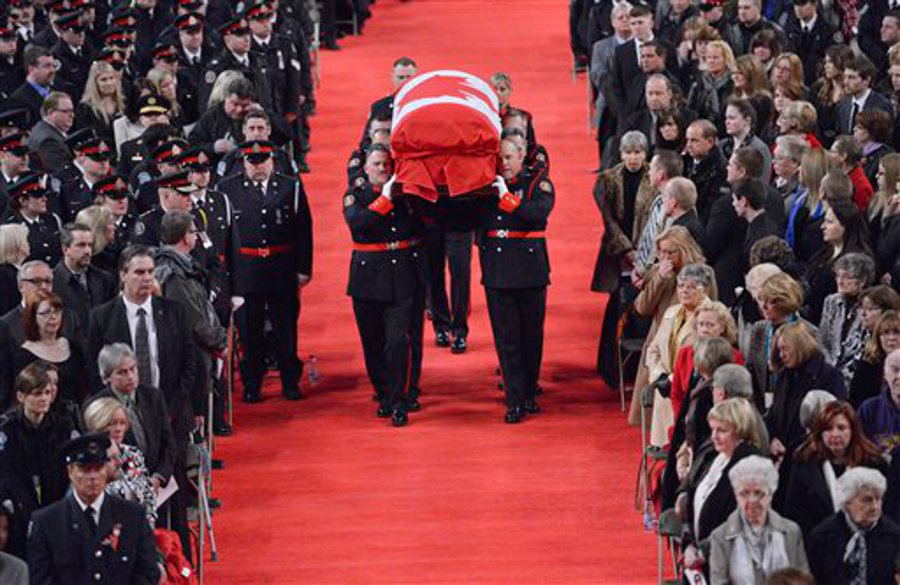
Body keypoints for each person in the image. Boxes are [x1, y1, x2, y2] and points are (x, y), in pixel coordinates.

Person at [218, 140, 312, 403]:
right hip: (246, 271)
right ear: (243, 162)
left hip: (282, 267)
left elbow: (304, 228)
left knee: (286, 328)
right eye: (252, 162)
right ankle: (252, 382)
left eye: (263, 161)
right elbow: (223, 234)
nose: (258, 167)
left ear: (272, 160)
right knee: (250, 331)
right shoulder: (227, 189)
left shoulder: (290, 186)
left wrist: (304, 269)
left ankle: (290, 380)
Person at [344, 145, 425, 426]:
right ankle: (384, 394)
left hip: (401, 275)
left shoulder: (405, 197)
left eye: (386, 165)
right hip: (367, 279)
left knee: (397, 341)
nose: (382, 169)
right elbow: (358, 224)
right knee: (373, 342)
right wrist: (385, 199)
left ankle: (399, 400)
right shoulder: (355, 195)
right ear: (365, 169)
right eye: (376, 164)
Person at [480, 137, 554, 423]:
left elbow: (537, 214)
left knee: (531, 336)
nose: (505, 164)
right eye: (500, 159)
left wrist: (506, 199)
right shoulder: (485, 187)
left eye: (509, 157)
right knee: (507, 339)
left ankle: (529, 393)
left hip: (530, 269)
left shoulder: (538, 183)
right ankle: (514, 400)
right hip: (498, 271)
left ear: (522, 156)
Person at [26, 433, 160, 584]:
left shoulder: (132, 516)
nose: (93, 476)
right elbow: (41, 579)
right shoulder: (47, 522)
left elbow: (148, 572)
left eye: (98, 468)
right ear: (70, 472)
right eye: (85, 469)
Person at [154, 210, 228, 434]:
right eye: (194, 232)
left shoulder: (181, 266)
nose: (197, 237)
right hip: (191, 355)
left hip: (195, 353)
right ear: (186, 237)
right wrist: (219, 339)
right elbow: (191, 319)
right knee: (195, 416)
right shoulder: (175, 274)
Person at [591, 130, 655, 387]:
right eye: (628, 153)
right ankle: (610, 367)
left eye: (637, 152)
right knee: (616, 305)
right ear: (621, 154)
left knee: (643, 307)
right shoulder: (608, 179)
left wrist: (643, 250)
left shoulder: (654, 177)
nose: (633, 158)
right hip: (616, 254)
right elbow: (607, 218)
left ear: (645, 153)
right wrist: (626, 249)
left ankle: (637, 370)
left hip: (648, 252)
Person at [627, 226, 708, 425]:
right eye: (661, 251)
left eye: (670, 252)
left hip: (689, 342)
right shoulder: (659, 270)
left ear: (684, 250)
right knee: (656, 410)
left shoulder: (702, 272)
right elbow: (642, 307)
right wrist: (661, 279)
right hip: (659, 342)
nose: (664, 257)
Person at [677, 398, 766, 569]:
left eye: (722, 430)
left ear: (740, 430)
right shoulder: (718, 458)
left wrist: (704, 551)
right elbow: (694, 498)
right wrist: (688, 543)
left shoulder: (752, 465)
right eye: (713, 429)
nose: (714, 437)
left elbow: (745, 520)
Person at [0, 363, 78, 559]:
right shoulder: (7, 431)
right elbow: (6, 475)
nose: (44, 398)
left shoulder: (62, 427)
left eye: (47, 392)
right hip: (17, 512)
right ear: (21, 396)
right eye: (37, 393)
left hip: (56, 507)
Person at [87, 343, 176, 510]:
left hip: (159, 485)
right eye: (122, 372)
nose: (130, 376)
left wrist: (158, 477)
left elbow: (169, 443)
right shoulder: (97, 406)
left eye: (133, 369)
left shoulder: (153, 397)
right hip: (118, 492)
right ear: (106, 377)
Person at [784, 401, 887, 541]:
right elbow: (793, 512)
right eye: (828, 429)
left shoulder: (874, 463)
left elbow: (887, 511)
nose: (835, 434)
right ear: (820, 433)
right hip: (819, 545)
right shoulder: (804, 463)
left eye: (841, 428)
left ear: (853, 430)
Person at [709, 455, 808, 584]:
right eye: (744, 493)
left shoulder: (791, 531)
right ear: (736, 496)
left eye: (759, 493)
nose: (752, 501)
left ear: (770, 495)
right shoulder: (720, 536)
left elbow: (802, 580)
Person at [646, 263, 715, 447]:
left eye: (691, 287)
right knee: (663, 456)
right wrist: (658, 375)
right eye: (681, 285)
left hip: (690, 392)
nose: (684, 291)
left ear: (705, 289)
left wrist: (672, 379)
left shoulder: (712, 317)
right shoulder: (671, 312)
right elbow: (653, 350)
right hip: (664, 390)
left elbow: (707, 358)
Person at [766, 321, 847, 468]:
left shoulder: (829, 376)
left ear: (799, 345)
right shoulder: (784, 376)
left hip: (814, 459)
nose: (781, 355)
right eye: (779, 350)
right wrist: (772, 438)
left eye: (785, 349)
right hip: (783, 458)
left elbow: (835, 419)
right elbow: (774, 413)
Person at [808, 467, 900, 584]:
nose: (875, 507)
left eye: (879, 499)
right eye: (867, 500)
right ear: (847, 502)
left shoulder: (894, 537)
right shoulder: (822, 536)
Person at [82, 397, 157, 526]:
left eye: (122, 423)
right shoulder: (87, 457)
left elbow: (148, 497)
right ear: (98, 423)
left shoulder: (133, 453)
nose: (118, 429)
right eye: (112, 423)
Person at [805, 197, 873, 324]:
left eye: (829, 222)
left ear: (845, 226)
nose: (822, 226)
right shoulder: (824, 252)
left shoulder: (857, 259)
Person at [13, 291, 87, 404]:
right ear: (33, 317)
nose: (53, 317)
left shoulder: (73, 348)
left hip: (74, 415)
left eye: (57, 311)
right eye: (46, 313)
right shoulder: (23, 355)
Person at [818, 253, 876, 388]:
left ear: (862, 281)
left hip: (856, 376)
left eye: (847, 277)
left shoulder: (871, 306)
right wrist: (830, 370)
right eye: (838, 276)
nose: (839, 281)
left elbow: (864, 347)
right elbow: (823, 340)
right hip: (828, 372)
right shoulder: (831, 301)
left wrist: (843, 376)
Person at [52, 223, 115, 332]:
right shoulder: (51, 282)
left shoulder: (104, 279)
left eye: (90, 245)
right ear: (65, 249)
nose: (87, 251)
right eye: (81, 245)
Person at [3, 173, 63, 267]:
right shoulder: (12, 226)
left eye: (44, 195)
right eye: (38, 195)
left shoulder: (52, 219)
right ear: (23, 201)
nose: (45, 199)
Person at [851, 309, 900, 408]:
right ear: (878, 337)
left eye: (897, 332)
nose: (891, 338)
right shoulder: (866, 367)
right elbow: (855, 403)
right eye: (886, 333)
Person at [834, 54, 893, 137]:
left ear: (867, 80)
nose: (845, 82)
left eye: (851, 77)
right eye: (845, 77)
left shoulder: (882, 105)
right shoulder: (843, 104)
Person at [686, 40, 735, 132]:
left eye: (715, 57)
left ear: (726, 59)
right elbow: (690, 111)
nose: (711, 61)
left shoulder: (733, 84)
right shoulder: (698, 84)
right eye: (708, 57)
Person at [858, 348, 900, 455]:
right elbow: (860, 449)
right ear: (885, 374)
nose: (899, 376)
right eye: (895, 370)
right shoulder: (868, 409)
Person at [811, 44, 854, 147]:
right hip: (820, 143)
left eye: (830, 62)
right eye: (825, 62)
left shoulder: (853, 91)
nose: (826, 66)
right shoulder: (818, 88)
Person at [73, 60, 125, 147]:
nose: (109, 83)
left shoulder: (124, 103)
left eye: (111, 78)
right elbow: (85, 137)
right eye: (103, 79)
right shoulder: (85, 108)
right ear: (94, 83)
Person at [26, 91, 76, 173]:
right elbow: (60, 173)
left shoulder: (42, 128)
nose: (72, 115)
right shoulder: (48, 141)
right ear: (50, 112)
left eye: (72, 111)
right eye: (65, 111)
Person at [854, 110, 895, 190]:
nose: (854, 129)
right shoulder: (856, 151)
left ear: (871, 131)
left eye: (859, 127)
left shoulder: (885, 155)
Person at [0, 224, 29, 315]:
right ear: (17, 245)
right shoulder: (3, 276)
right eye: (25, 240)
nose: (29, 243)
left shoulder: (19, 270)